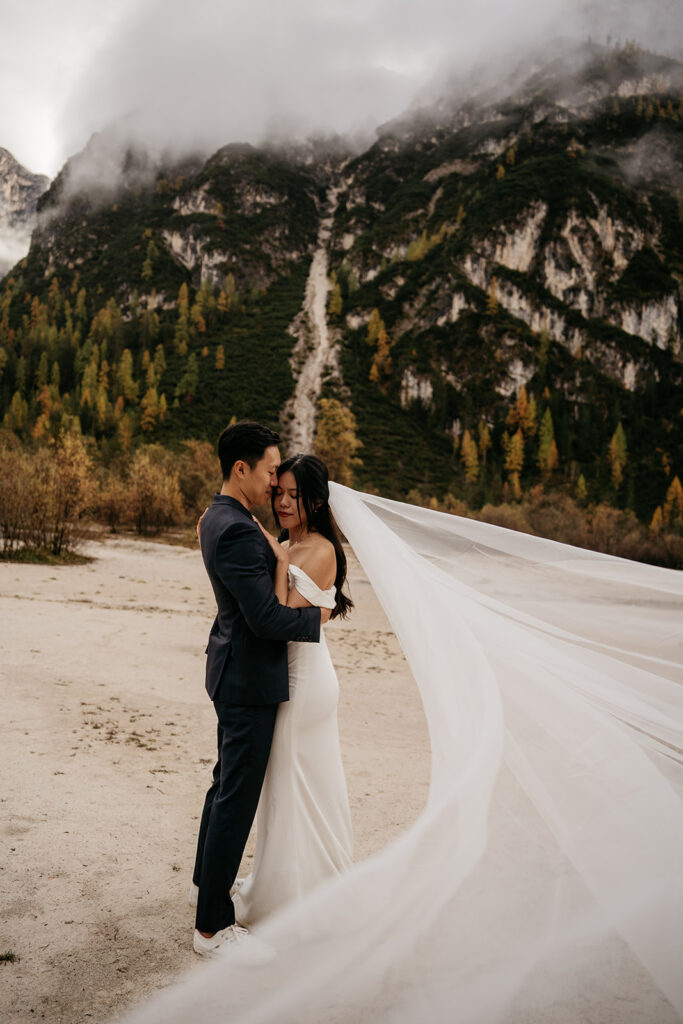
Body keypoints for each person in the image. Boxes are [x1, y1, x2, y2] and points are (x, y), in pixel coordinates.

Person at [190, 422, 328, 959]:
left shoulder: (221, 516)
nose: (277, 483)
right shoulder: (237, 530)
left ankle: (208, 890)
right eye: (271, 471)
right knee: (235, 798)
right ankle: (211, 928)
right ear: (240, 469)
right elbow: (268, 619)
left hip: (233, 672)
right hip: (248, 681)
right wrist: (317, 618)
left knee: (224, 788)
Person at [232, 453, 354, 925]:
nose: (282, 502)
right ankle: (285, 884)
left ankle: (299, 895)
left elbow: (284, 620)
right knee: (285, 785)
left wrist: (280, 561)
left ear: (316, 501)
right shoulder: (289, 539)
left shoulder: (320, 548)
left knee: (297, 783)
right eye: (278, 491)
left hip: (306, 682)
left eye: (293, 495)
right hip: (287, 678)